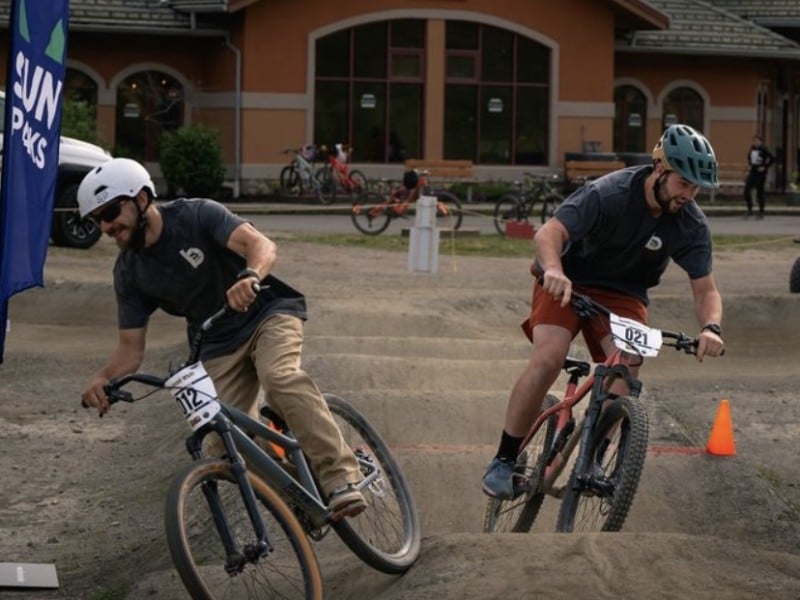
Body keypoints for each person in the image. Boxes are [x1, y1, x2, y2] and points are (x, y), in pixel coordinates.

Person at [78, 157, 366, 518]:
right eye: (97, 220)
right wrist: (104, 378)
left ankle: (340, 477)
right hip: (214, 343)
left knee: (279, 379)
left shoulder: (196, 215)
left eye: (110, 212)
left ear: (141, 198)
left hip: (265, 314)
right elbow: (130, 350)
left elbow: (262, 245)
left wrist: (250, 276)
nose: (106, 226)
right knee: (221, 439)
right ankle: (301, 498)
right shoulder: (128, 272)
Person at [481, 124, 726, 499]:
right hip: (569, 280)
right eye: (684, 183)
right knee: (549, 357)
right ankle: (503, 458)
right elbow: (549, 233)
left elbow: (705, 289)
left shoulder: (690, 222)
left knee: (626, 368)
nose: (688, 195)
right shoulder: (610, 193)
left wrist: (711, 327)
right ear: (660, 168)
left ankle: (593, 460)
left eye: (696, 189)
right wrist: (554, 270)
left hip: (624, 294)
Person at [744, 134, 774, 219]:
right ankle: (750, 209)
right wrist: (750, 165)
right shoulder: (752, 149)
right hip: (753, 172)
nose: (755, 142)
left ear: (761, 142)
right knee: (746, 190)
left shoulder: (764, 149)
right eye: (754, 141)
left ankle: (761, 212)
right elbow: (749, 158)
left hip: (760, 174)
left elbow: (772, 158)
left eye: (757, 141)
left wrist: (765, 167)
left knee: (760, 192)